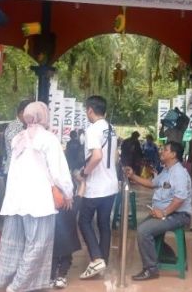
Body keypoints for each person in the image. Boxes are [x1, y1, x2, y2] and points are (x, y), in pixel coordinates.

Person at [0, 101, 74, 292]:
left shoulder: (18, 139)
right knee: (37, 246)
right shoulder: (48, 139)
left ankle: (3, 281)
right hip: (39, 202)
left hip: (15, 200)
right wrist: (68, 193)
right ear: (43, 117)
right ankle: (17, 286)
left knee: (13, 244)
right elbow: (58, 172)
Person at [125, 141, 192, 281]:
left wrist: (164, 212)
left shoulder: (178, 172)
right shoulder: (167, 170)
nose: (161, 151)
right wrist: (133, 176)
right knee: (143, 229)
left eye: (165, 150)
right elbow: (152, 184)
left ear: (173, 154)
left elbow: (180, 198)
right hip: (168, 212)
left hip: (178, 214)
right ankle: (168, 257)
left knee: (144, 231)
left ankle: (151, 269)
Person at [78, 95, 119, 280]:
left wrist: (85, 173)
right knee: (104, 224)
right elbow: (115, 157)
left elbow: (96, 156)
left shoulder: (92, 130)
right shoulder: (112, 129)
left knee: (84, 221)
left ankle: (95, 258)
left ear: (90, 110)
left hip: (96, 186)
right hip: (111, 185)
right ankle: (103, 260)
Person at [50, 172, 81, 290]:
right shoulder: (72, 205)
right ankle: (61, 277)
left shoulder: (51, 207)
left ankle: (52, 277)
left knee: (53, 257)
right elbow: (81, 194)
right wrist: (82, 182)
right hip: (68, 244)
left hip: (55, 244)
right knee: (66, 258)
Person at [3, 99, 32, 184]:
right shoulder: (14, 128)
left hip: (20, 173)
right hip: (13, 173)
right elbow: (18, 149)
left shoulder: (25, 127)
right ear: (22, 112)